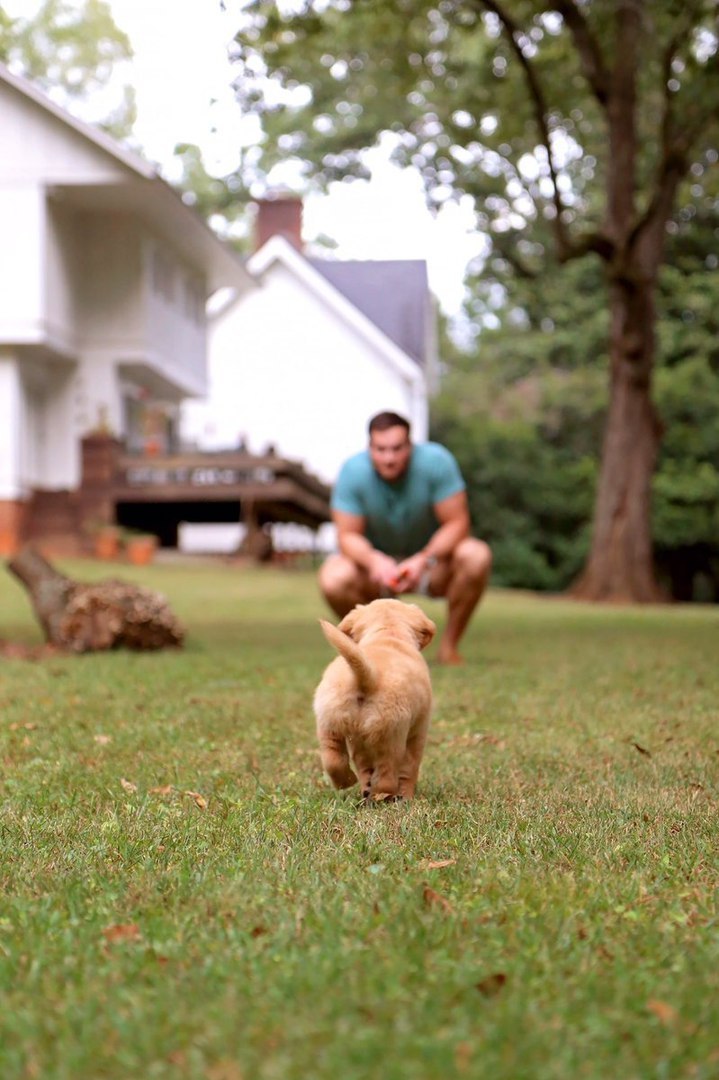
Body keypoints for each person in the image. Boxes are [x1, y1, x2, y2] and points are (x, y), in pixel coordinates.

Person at [318, 411, 492, 665]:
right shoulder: (352, 471)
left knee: (476, 555)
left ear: (411, 445)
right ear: (370, 447)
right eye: (380, 449)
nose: (389, 458)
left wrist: (423, 560)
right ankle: (370, 654)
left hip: (431, 565)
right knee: (333, 577)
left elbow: (458, 523)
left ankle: (448, 648)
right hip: (375, 570)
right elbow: (346, 537)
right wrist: (374, 560)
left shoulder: (437, 461)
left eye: (397, 448)